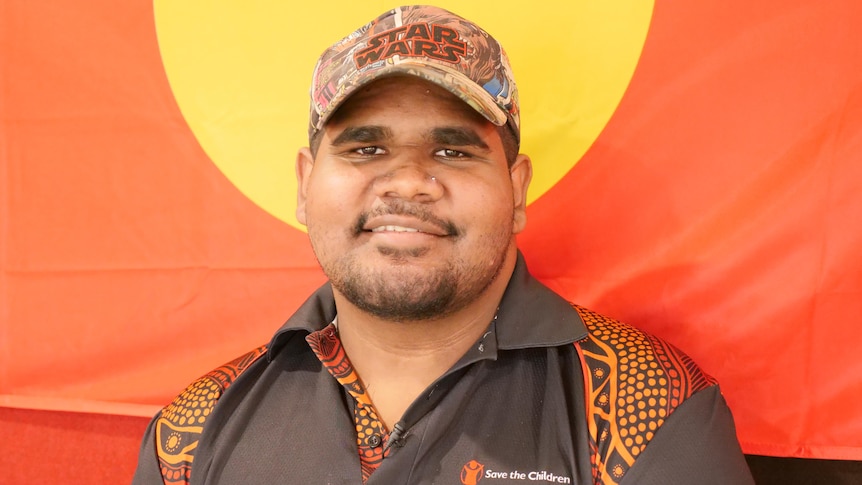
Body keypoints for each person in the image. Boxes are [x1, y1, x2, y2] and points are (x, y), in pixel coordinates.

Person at [132, 5, 754, 484]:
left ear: (516, 190)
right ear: (304, 184)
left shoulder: (649, 409)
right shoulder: (192, 430)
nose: (407, 182)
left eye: (453, 151)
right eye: (366, 148)